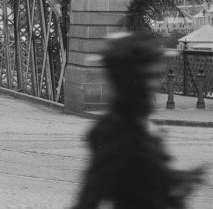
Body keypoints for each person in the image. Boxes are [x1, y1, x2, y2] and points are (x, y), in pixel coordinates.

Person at [72, 32, 205, 209]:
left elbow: (141, 174)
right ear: (129, 79)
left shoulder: (136, 121)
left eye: (157, 75)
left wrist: (177, 178)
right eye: (148, 76)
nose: (156, 83)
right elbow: (91, 196)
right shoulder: (116, 130)